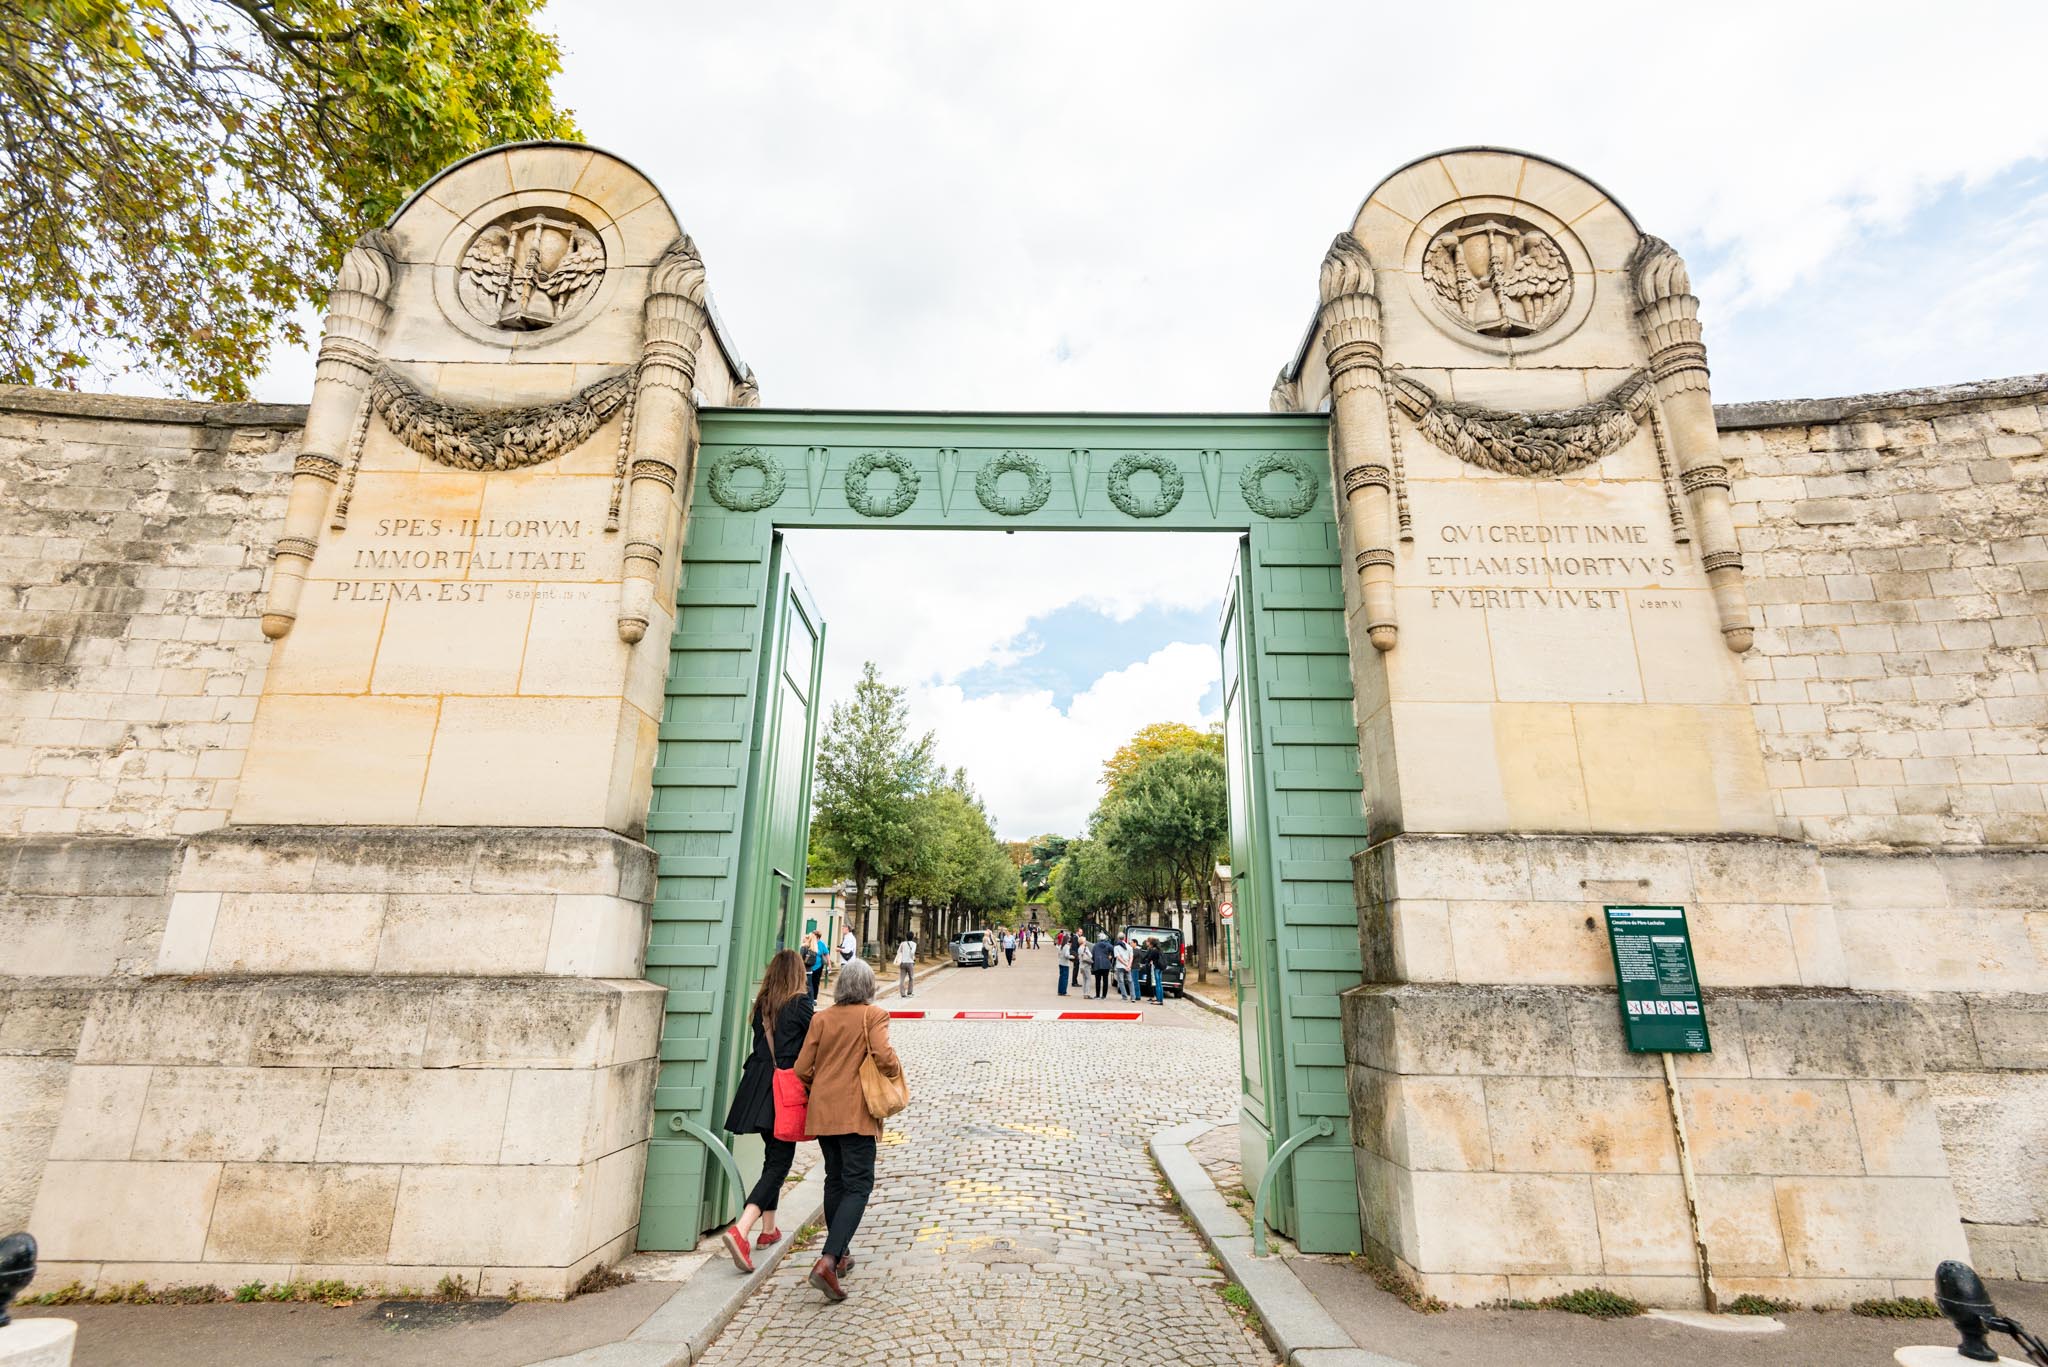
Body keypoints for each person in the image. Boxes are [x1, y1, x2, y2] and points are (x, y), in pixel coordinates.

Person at [794, 958, 903, 1302]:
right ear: (869, 987)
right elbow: (885, 1057)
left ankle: (841, 1254)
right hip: (856, 1112)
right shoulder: (873, 1016)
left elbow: (801, 1068)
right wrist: (894, 1069)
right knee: (859, 1184)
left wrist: (821, 1085)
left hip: (824, 1112)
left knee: (835, 1179)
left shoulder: (821, 1018)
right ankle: (828, 1260)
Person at [720, 948, 814, 1274]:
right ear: (798, 974)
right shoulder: (800, 1004)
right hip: (781, 1091)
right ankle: (742, 1229)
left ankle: (768, 1230)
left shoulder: (763, 1005)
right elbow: (815, 1043)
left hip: (756, 1089)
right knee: (779, 1164)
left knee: (770, 1158)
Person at [1141, 937, 1166, 1004]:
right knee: (1160, 984)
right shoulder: (1160, 950)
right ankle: (1160, 999)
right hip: (1161, 968)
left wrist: (1148, 961)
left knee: (1157, 984)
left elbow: (1149, 958)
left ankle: (1158, 1000)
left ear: (1152, 944)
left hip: (1157, 967)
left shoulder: (1154, 950)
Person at [801, 931, 824, 1002]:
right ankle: (811, 1001)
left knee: (802, 987)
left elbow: (800, 958)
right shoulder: (814, 948)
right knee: (810, 987)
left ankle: (803, 1002)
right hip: (810, 970)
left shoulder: (804, 947)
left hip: (803, 970)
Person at [1089, 933, 1113, 999]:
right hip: (1106, 964)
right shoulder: (1108, 945)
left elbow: (1092, 956)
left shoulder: (1095, 946)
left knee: (1097, 980)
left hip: (1097, 964)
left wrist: (1092, 965)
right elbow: (1114, 950)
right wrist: (1111, 956)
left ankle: (1097, 995)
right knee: (1105, 980)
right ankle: (1104, 996)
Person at [1113, 935, 1134, 1002]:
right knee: (1130, 981)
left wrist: (1125, 964)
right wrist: (1129, 965)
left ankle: (1124, 997)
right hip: (1128, 967)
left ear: (1118, 938)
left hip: (1120, 966)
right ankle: (1133, 997)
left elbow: (1118, 958)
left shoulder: (1116, 947)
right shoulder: (1129, 947)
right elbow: (1131, 957)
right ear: (1124, 938)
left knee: (1121, 982)